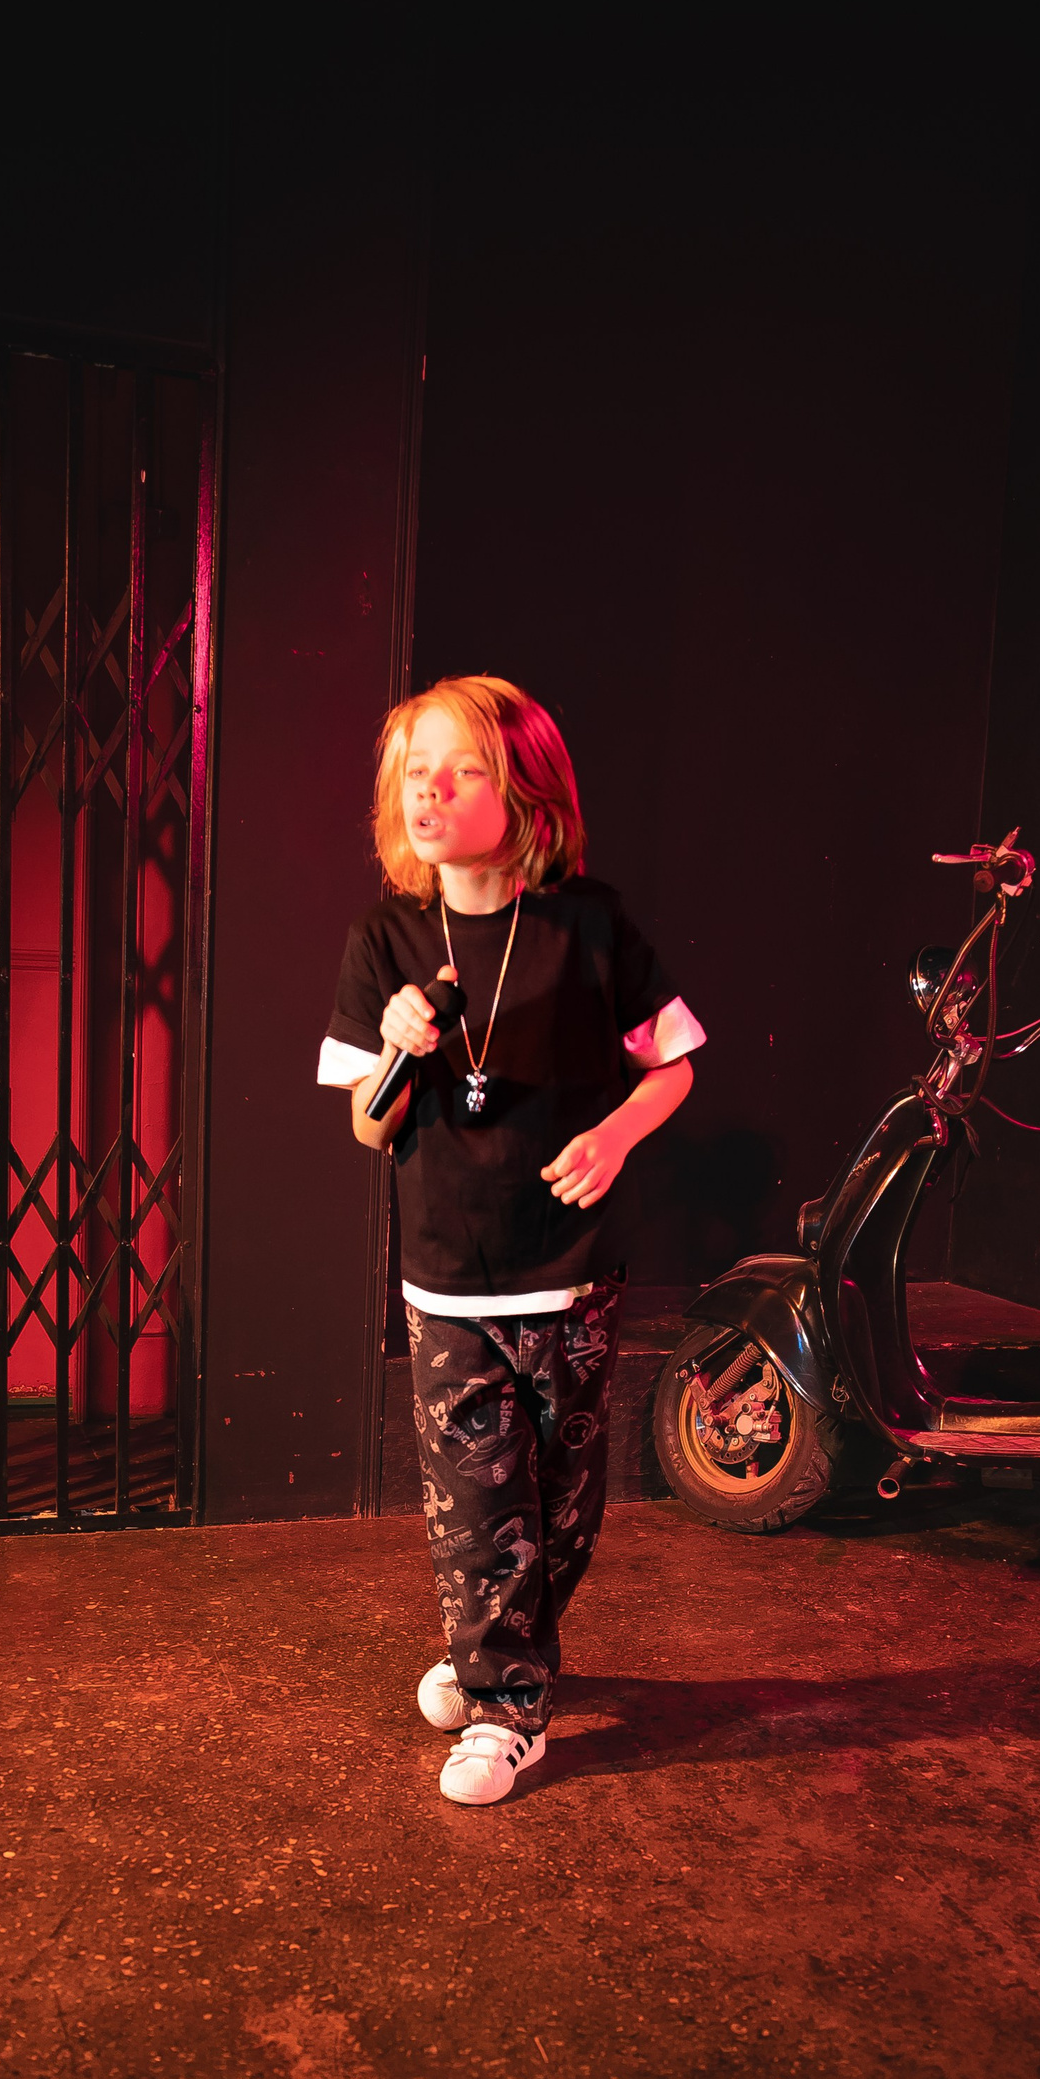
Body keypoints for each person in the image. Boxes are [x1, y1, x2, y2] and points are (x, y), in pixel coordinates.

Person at [317, 676, 705, 1806]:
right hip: (448, 1278)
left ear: (525, 790)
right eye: (415, 772)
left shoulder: (593, 927)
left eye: (464, 769)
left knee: (563, 1507)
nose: (431, 790)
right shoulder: (384, 938)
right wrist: (401, 1044)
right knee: (477, 1502)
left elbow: (674, 1064)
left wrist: (617, 1135)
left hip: (573, 1272)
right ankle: (506, 1707)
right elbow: (367, 1124)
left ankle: (497, 1646)